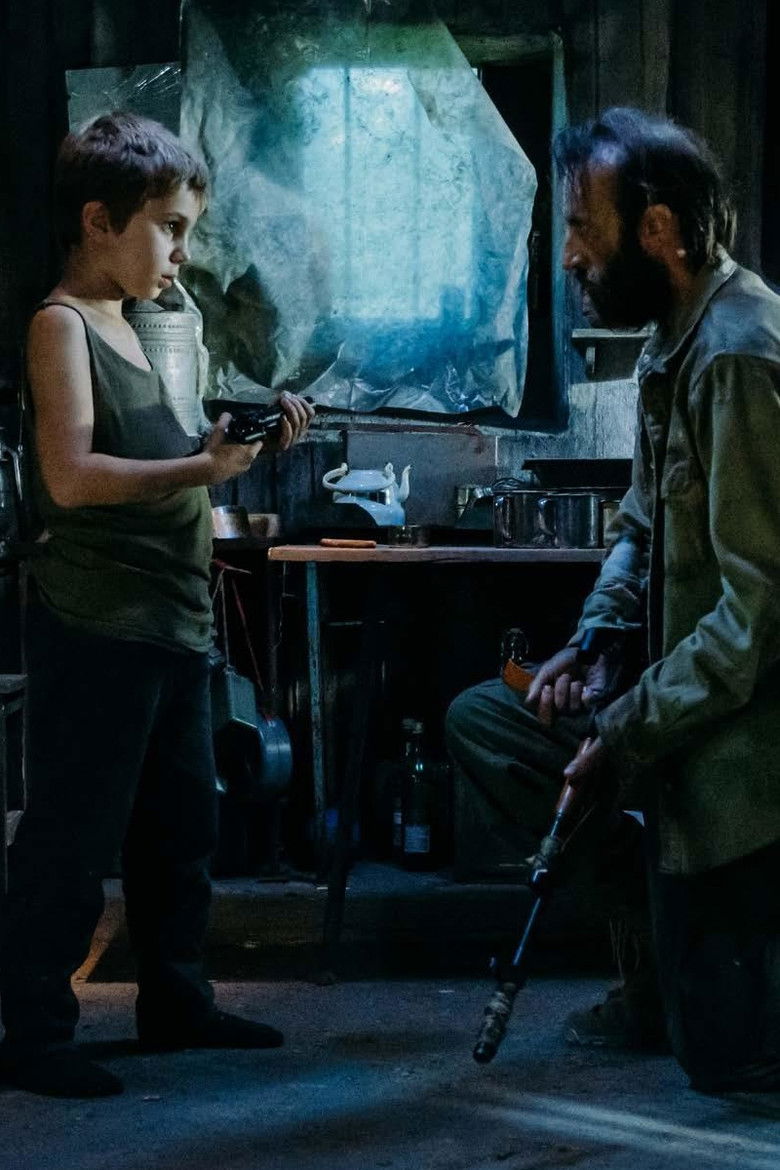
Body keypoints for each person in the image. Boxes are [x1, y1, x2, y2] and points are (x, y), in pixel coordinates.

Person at [447, 106, 780, 1094]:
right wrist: (595, 644)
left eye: (583, 227)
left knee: (725, 1063)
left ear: (660, 229)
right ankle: (651, 958)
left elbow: (759, 616)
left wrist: (627, 728)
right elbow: (640, 524)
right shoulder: (672, 339)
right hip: (682, 701)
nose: (569, 257)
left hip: (746, 733)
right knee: (492, 722)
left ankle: (706, 958)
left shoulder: (739, 356)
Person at [0, 111, 315, 1098]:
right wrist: (202, 468)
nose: (182, 251)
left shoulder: (136, 324)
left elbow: (157, 454)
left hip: (171, 621)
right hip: (98, 624)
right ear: (99, 221)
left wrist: (242, 440)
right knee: (71, 836)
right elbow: (72, 476)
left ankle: (176, 1000)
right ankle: (36, 1035)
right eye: (170, 227)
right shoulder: (60, 324)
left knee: (180, 832)